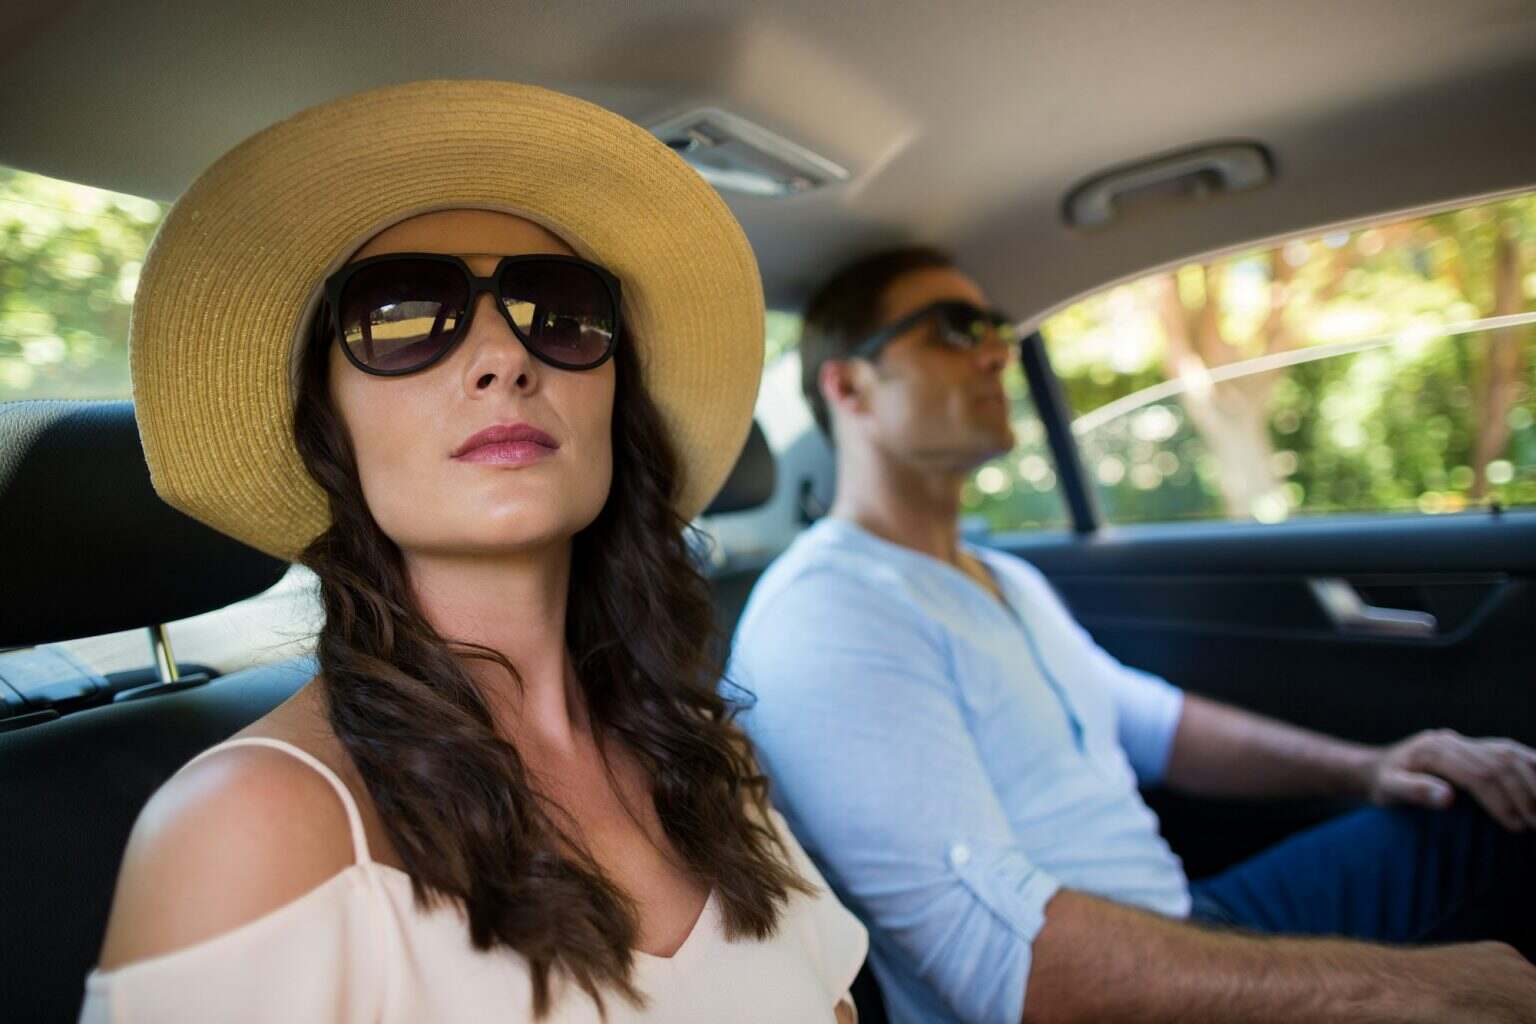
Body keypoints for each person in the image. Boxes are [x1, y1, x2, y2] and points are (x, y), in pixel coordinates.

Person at [80, 81, 865, 1023]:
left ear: (618, 397)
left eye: (562, 311)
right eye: (404, 316)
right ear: (328, 421)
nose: (503, 357)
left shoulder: (711, 761)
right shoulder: (248, 829)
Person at [728, 245, 1536, 1023]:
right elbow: (1014, 971)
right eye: (953, 329)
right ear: (849, 387)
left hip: (1185, 924)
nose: (995, 355)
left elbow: (1151, 722)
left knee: (1495, 807)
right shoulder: (828, 614)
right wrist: (1423, 992)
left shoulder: (1004, 579)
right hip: (1107, 989)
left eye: (997, 330)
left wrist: (1372, 769)